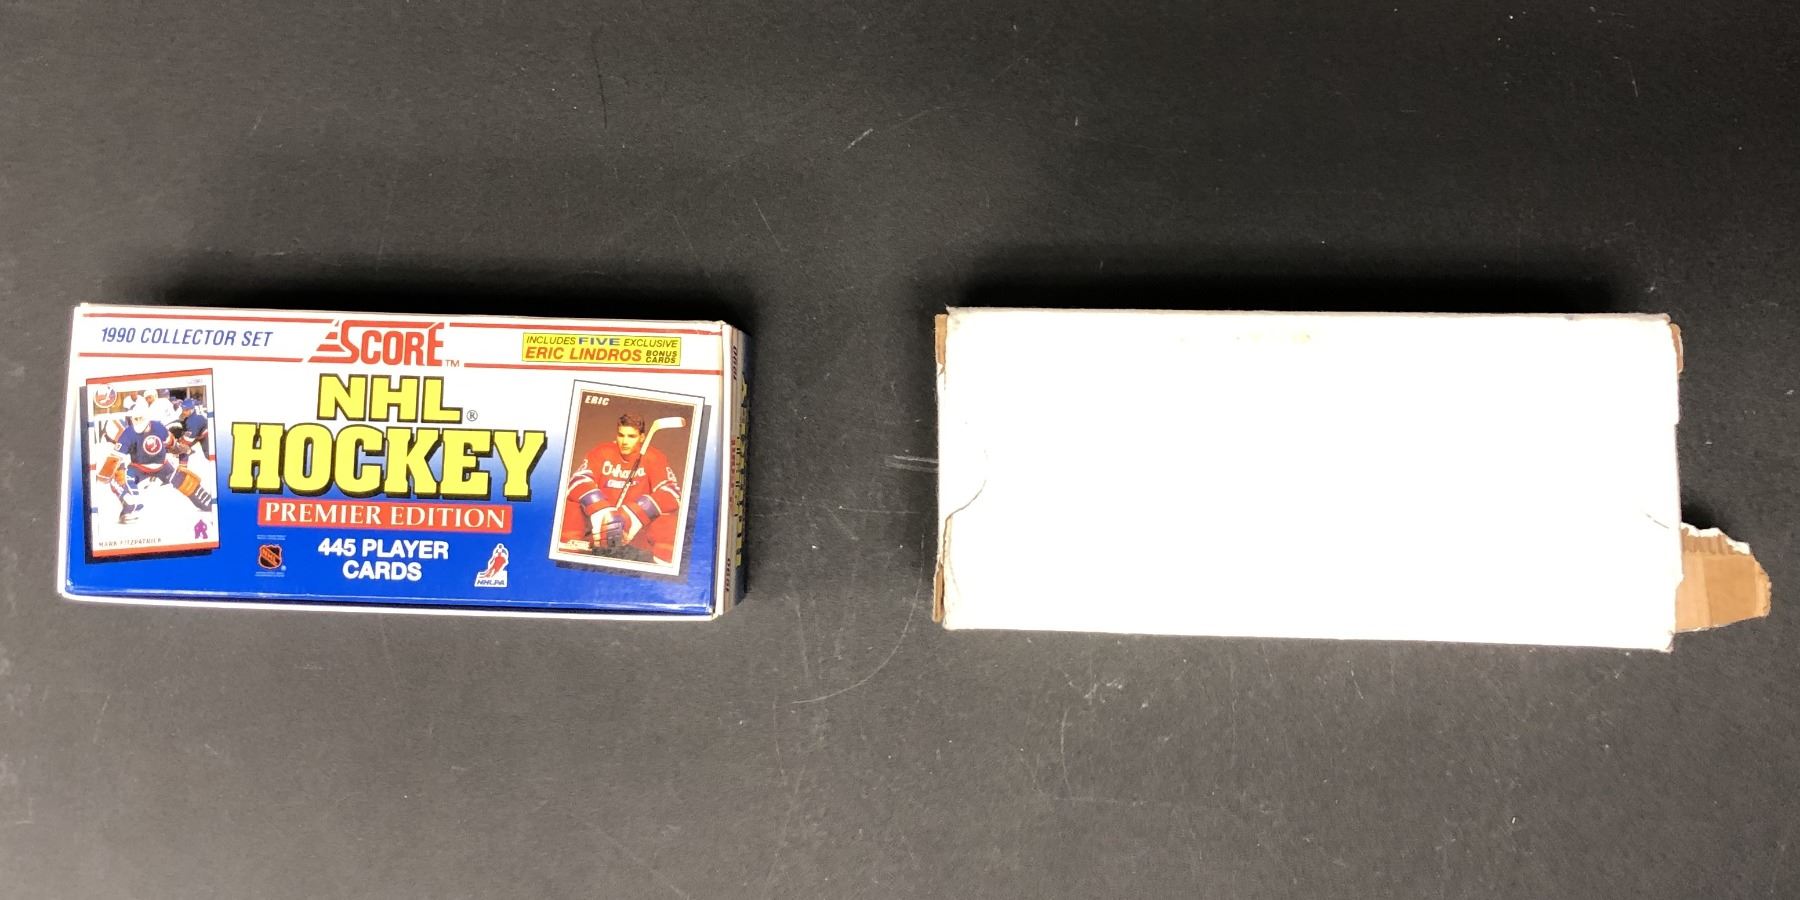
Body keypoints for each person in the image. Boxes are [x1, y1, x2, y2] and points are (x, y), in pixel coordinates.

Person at [560, 413, 682, 564]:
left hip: (634, 536)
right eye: (621, 435)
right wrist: (600, 509)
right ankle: (566, 554)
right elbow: (577, 481)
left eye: (631, 436)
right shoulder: (602, 452)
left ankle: (663, 568)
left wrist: (634, 513)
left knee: (668, 521)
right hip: (599, 532)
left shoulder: (654, 458)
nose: (624, 441)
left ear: (642, 437)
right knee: (571, 504)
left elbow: (672, 493)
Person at [100, 404, 216, 523]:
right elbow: (116, 456)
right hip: (139, 467)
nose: (138, 421)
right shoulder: (128, 433)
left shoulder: (158, 427)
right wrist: (106, 473)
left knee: (185, 480)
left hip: (162, 466)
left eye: (140, 418)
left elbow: (172, 444)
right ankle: (130, 508)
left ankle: (207, 502)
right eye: (136, 418)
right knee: (119, 477)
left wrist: (179, 448)